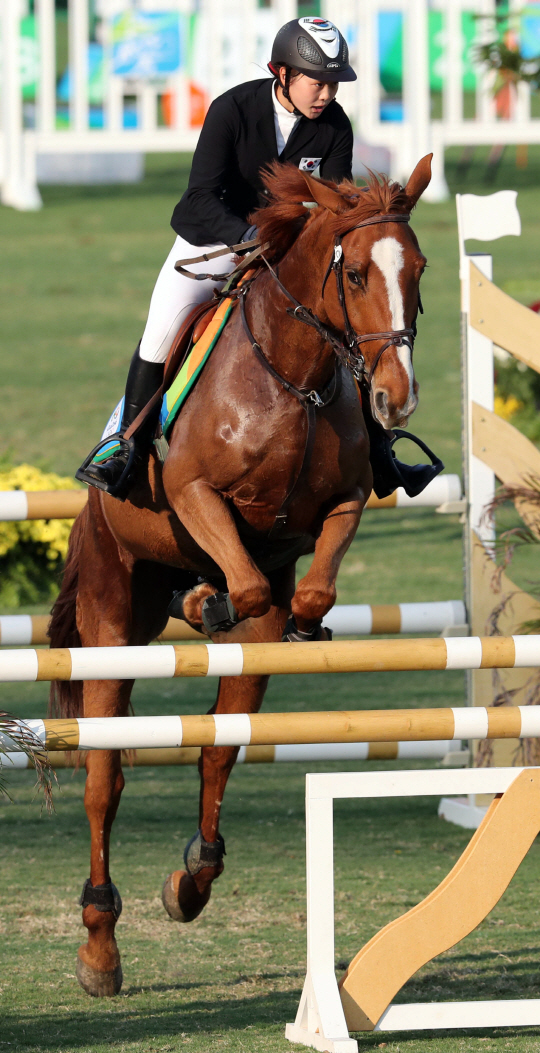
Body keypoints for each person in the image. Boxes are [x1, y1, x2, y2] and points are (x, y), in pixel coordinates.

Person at [77, 16, 356, 498]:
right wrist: (251, 233)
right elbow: (200, 196)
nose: (327, 94)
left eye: (333, 84)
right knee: (161, 332)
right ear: (283, 74)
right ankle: (123, 447)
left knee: (354, 329)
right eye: (318, 82)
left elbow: (334, 206)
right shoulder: (232, 109)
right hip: (212, 243)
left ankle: (378, 448)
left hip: (284, 255)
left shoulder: (335, 128)